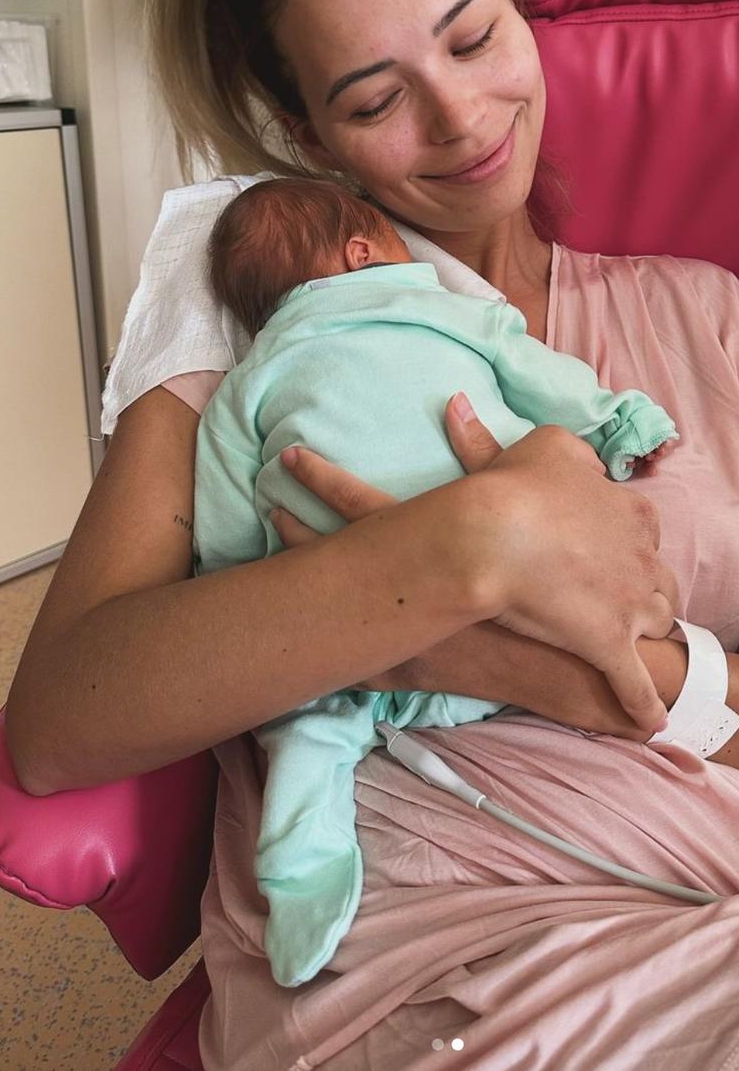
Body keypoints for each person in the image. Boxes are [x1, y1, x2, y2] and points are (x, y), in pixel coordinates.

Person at [4, 0, 739, 1071]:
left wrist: (522, 660)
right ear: (306, 134)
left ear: (518, 7)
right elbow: (64, 718)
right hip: (442, 938)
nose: (461, 118)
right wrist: (468, 546)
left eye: (473, 37)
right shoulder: (255, 292)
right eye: (375, 99)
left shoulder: (699, 313)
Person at [195, 175, 680, 989]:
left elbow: (221, 518)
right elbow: (539, 376)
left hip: (340, 623)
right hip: (512, 577)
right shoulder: (443, 309)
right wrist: (617, 420)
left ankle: (301, 874)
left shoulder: (250, 379)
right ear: (364, 254)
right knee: (587, 628)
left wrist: (240, 581)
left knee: (308, 732)